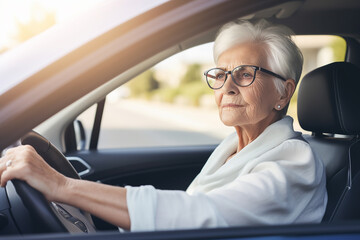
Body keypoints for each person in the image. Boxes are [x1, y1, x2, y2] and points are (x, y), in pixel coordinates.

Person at [0, 19, 327, 231]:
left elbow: (200, 214)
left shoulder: (295, 164)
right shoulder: (234, 149)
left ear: (284, 92)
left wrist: (61, 186)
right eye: (220, 74)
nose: (227, 86)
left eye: (245, 74)